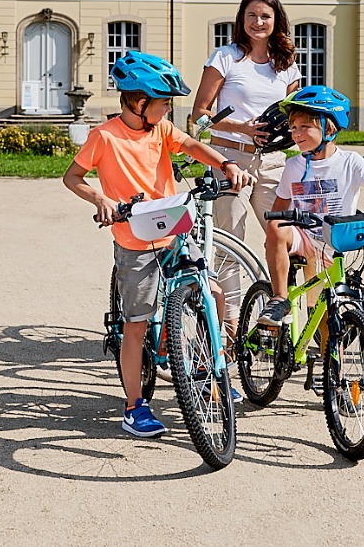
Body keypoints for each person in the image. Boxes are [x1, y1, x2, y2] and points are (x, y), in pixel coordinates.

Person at [63, 50, 253, 438]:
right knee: (135, 325)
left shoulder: (162, 131)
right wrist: (101, 199)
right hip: (134, 239)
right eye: (164, 102)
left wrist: (227, 164)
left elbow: (193, 147)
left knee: (212, 293)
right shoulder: (104, 137)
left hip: (173, 230)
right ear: (139, 101)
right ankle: (134, 406)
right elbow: (73, 177)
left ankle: (205, 373)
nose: (168, 110)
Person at [191, 0, 301, 340]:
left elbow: (293, 116)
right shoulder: (225, 58)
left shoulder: (286, 66)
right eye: (252, 15)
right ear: (242, 20)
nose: (258, 22)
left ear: (275, 21)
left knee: (284, 235)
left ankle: (281, 312)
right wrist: (242, 127)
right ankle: (230, 326)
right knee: (229, 241)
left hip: (272, 162)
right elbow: (199, 116)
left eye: (265, 16)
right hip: (229, 159)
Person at [258, 86, 364, 329]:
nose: (296, 133)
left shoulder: (349, 161)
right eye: (293, 128)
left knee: (325, 323)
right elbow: (279, 207)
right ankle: (280, 299)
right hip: (303, 236)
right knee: (276, 226)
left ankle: (335, 364)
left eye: (304, 127)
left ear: (329, 127)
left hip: (332, 240)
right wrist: (276, 237)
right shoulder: (293, 165)